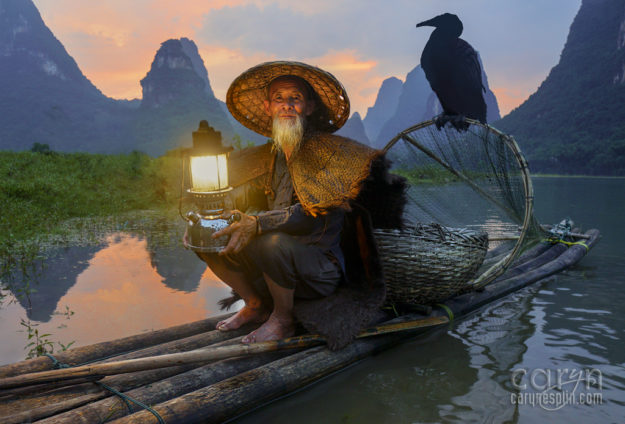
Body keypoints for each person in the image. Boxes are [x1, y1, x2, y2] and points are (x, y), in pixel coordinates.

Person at [186, 61, 405, 348]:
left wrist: (257, 223)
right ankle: (255, 305)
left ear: (309, 107)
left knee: (272, 243)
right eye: (279, 99)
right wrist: (222, 219)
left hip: (319, 267)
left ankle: (282, 319)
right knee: (202, 235)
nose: (286, 105)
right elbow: (246, 206)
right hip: (275, 265)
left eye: (295, 99)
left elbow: (311, 215)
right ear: (268, 108)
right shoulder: (269, 157)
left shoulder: (331, 155)